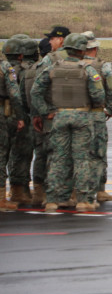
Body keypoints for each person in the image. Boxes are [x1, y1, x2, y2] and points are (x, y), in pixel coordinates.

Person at [31, 33, 105, 212]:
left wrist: (46, 111)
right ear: (81, 50)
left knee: (58, 158)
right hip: (82, 116)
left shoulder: (53, 69)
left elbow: (35, 91)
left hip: (59, 116)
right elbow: (99, 96)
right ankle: (83, 199)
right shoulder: (88, 70)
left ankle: (53, 200)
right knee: (82, 158)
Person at [30, 26, 70, 206]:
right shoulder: (78, 58)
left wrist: (43, 112)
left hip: (54, 117)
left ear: (61, 39)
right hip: (76, 115)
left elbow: (37, 89)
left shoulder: (50, 60)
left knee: (53, 155)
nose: (50, 42)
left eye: (52, 38)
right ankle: (71, 195)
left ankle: (52, 196)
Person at [82, 31, 112, 202]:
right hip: (96, 115)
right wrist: (110, 110)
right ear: (95, 48)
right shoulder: (103, 66)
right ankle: (99, 189)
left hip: (73, 114)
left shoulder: (65, 65)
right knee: (98, 152)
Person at [4, 36, 35, 204]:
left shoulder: (4, 68)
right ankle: (19, 190)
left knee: (6, 154)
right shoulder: (26, 70)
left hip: (6, 114)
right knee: (22, 152)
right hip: (21, 114)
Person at [0, 39, 26, 211]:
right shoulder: (5, 67)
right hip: (2, 112)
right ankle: (1, 198)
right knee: (1, 154)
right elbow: (15, 95)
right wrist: (20, 116)